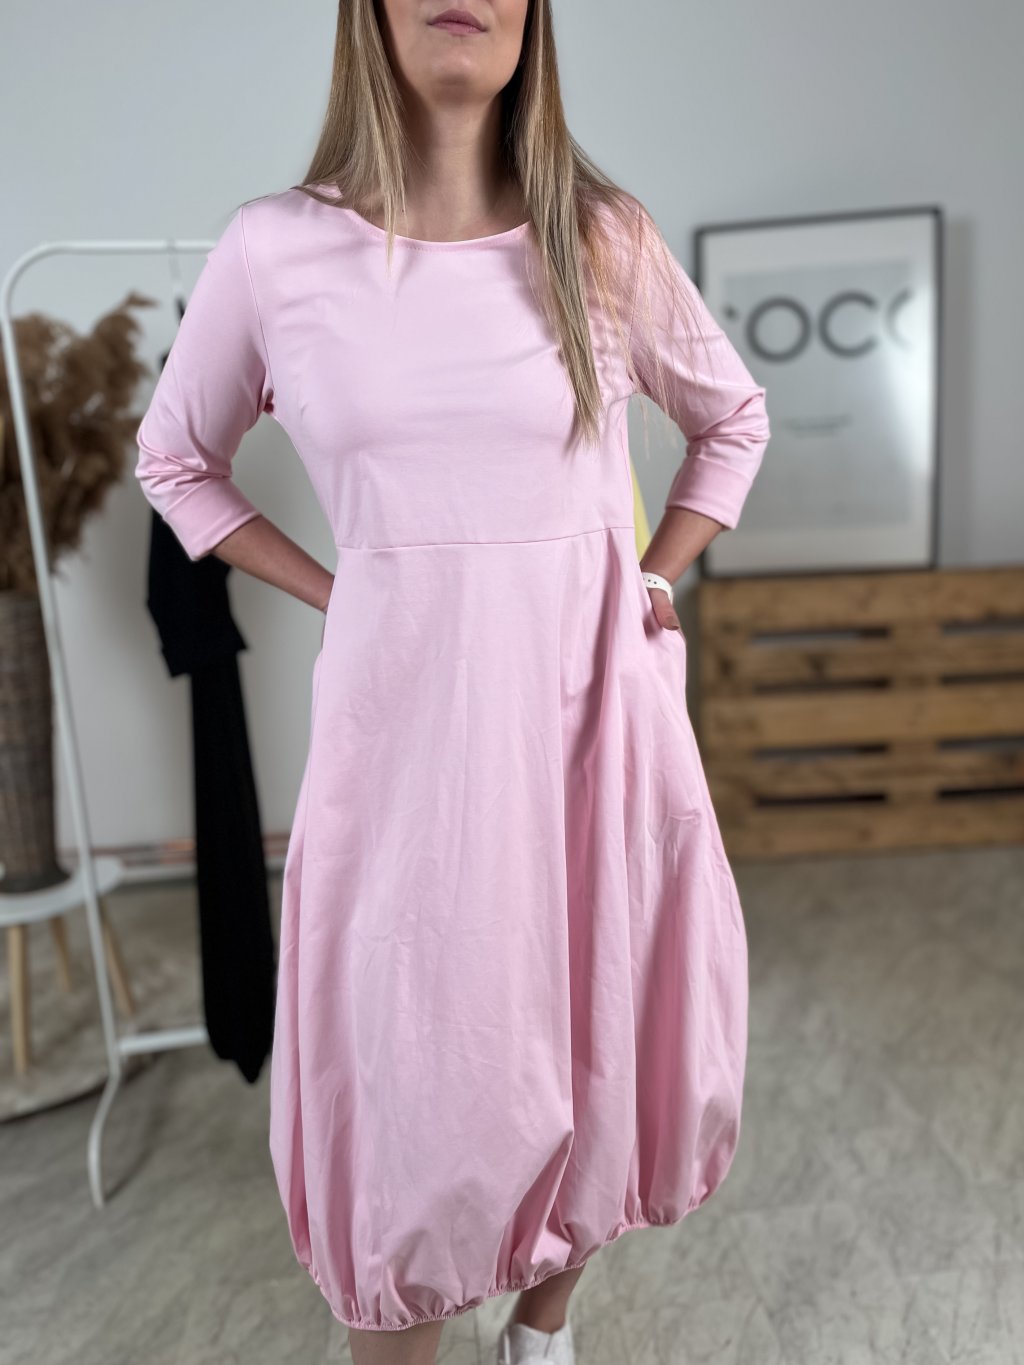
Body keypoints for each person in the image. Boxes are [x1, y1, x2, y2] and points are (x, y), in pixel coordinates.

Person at [134, 2, 771, 1363]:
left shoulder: (602, 238)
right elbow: (175, 461)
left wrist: (650, 575)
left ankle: (543, 1329)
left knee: (600, 1038)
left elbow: (732, 419)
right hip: (408, 744)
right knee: (415, 1109)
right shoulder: (275, 251)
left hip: (594, 722)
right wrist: (342, 586)